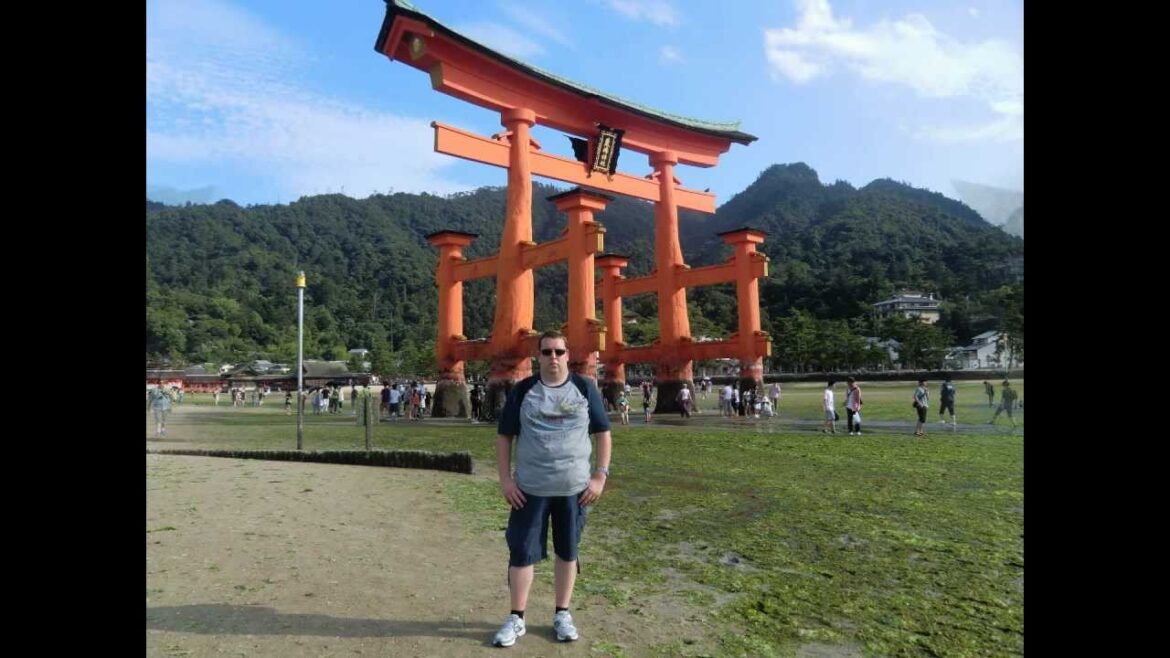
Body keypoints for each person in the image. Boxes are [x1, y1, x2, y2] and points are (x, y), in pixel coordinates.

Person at [493, 330, 612, 648]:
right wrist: (505, 480)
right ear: (538, 356)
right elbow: (504, 436)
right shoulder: (523, 390)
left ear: (567, 355)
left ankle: (562, 613)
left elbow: (603, 433)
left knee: (568, 551)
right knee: (521, 552)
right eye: (547, 352)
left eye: (559, 351)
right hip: (529, 488)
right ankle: (517, 617)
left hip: (574, 489)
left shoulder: (584, 388)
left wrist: (600, 476)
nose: (553, 357)